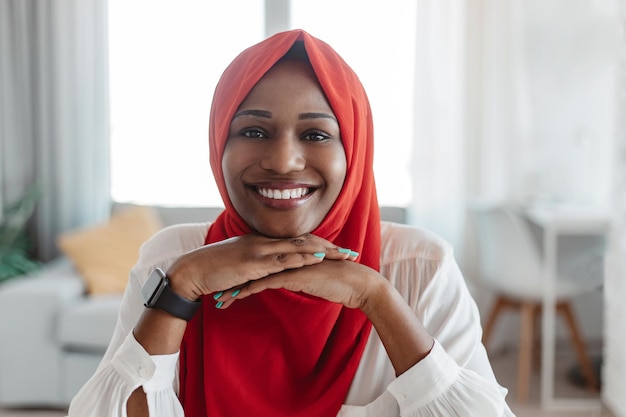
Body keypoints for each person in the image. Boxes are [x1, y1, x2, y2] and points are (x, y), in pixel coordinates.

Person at [69, 29, 515, 417]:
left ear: (354, 150)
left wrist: (376, 297)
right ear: (219, 142)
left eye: (316, 135)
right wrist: (181, 288)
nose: (283, 161)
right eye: (254, 132)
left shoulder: (420, 267)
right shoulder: (170, 260)